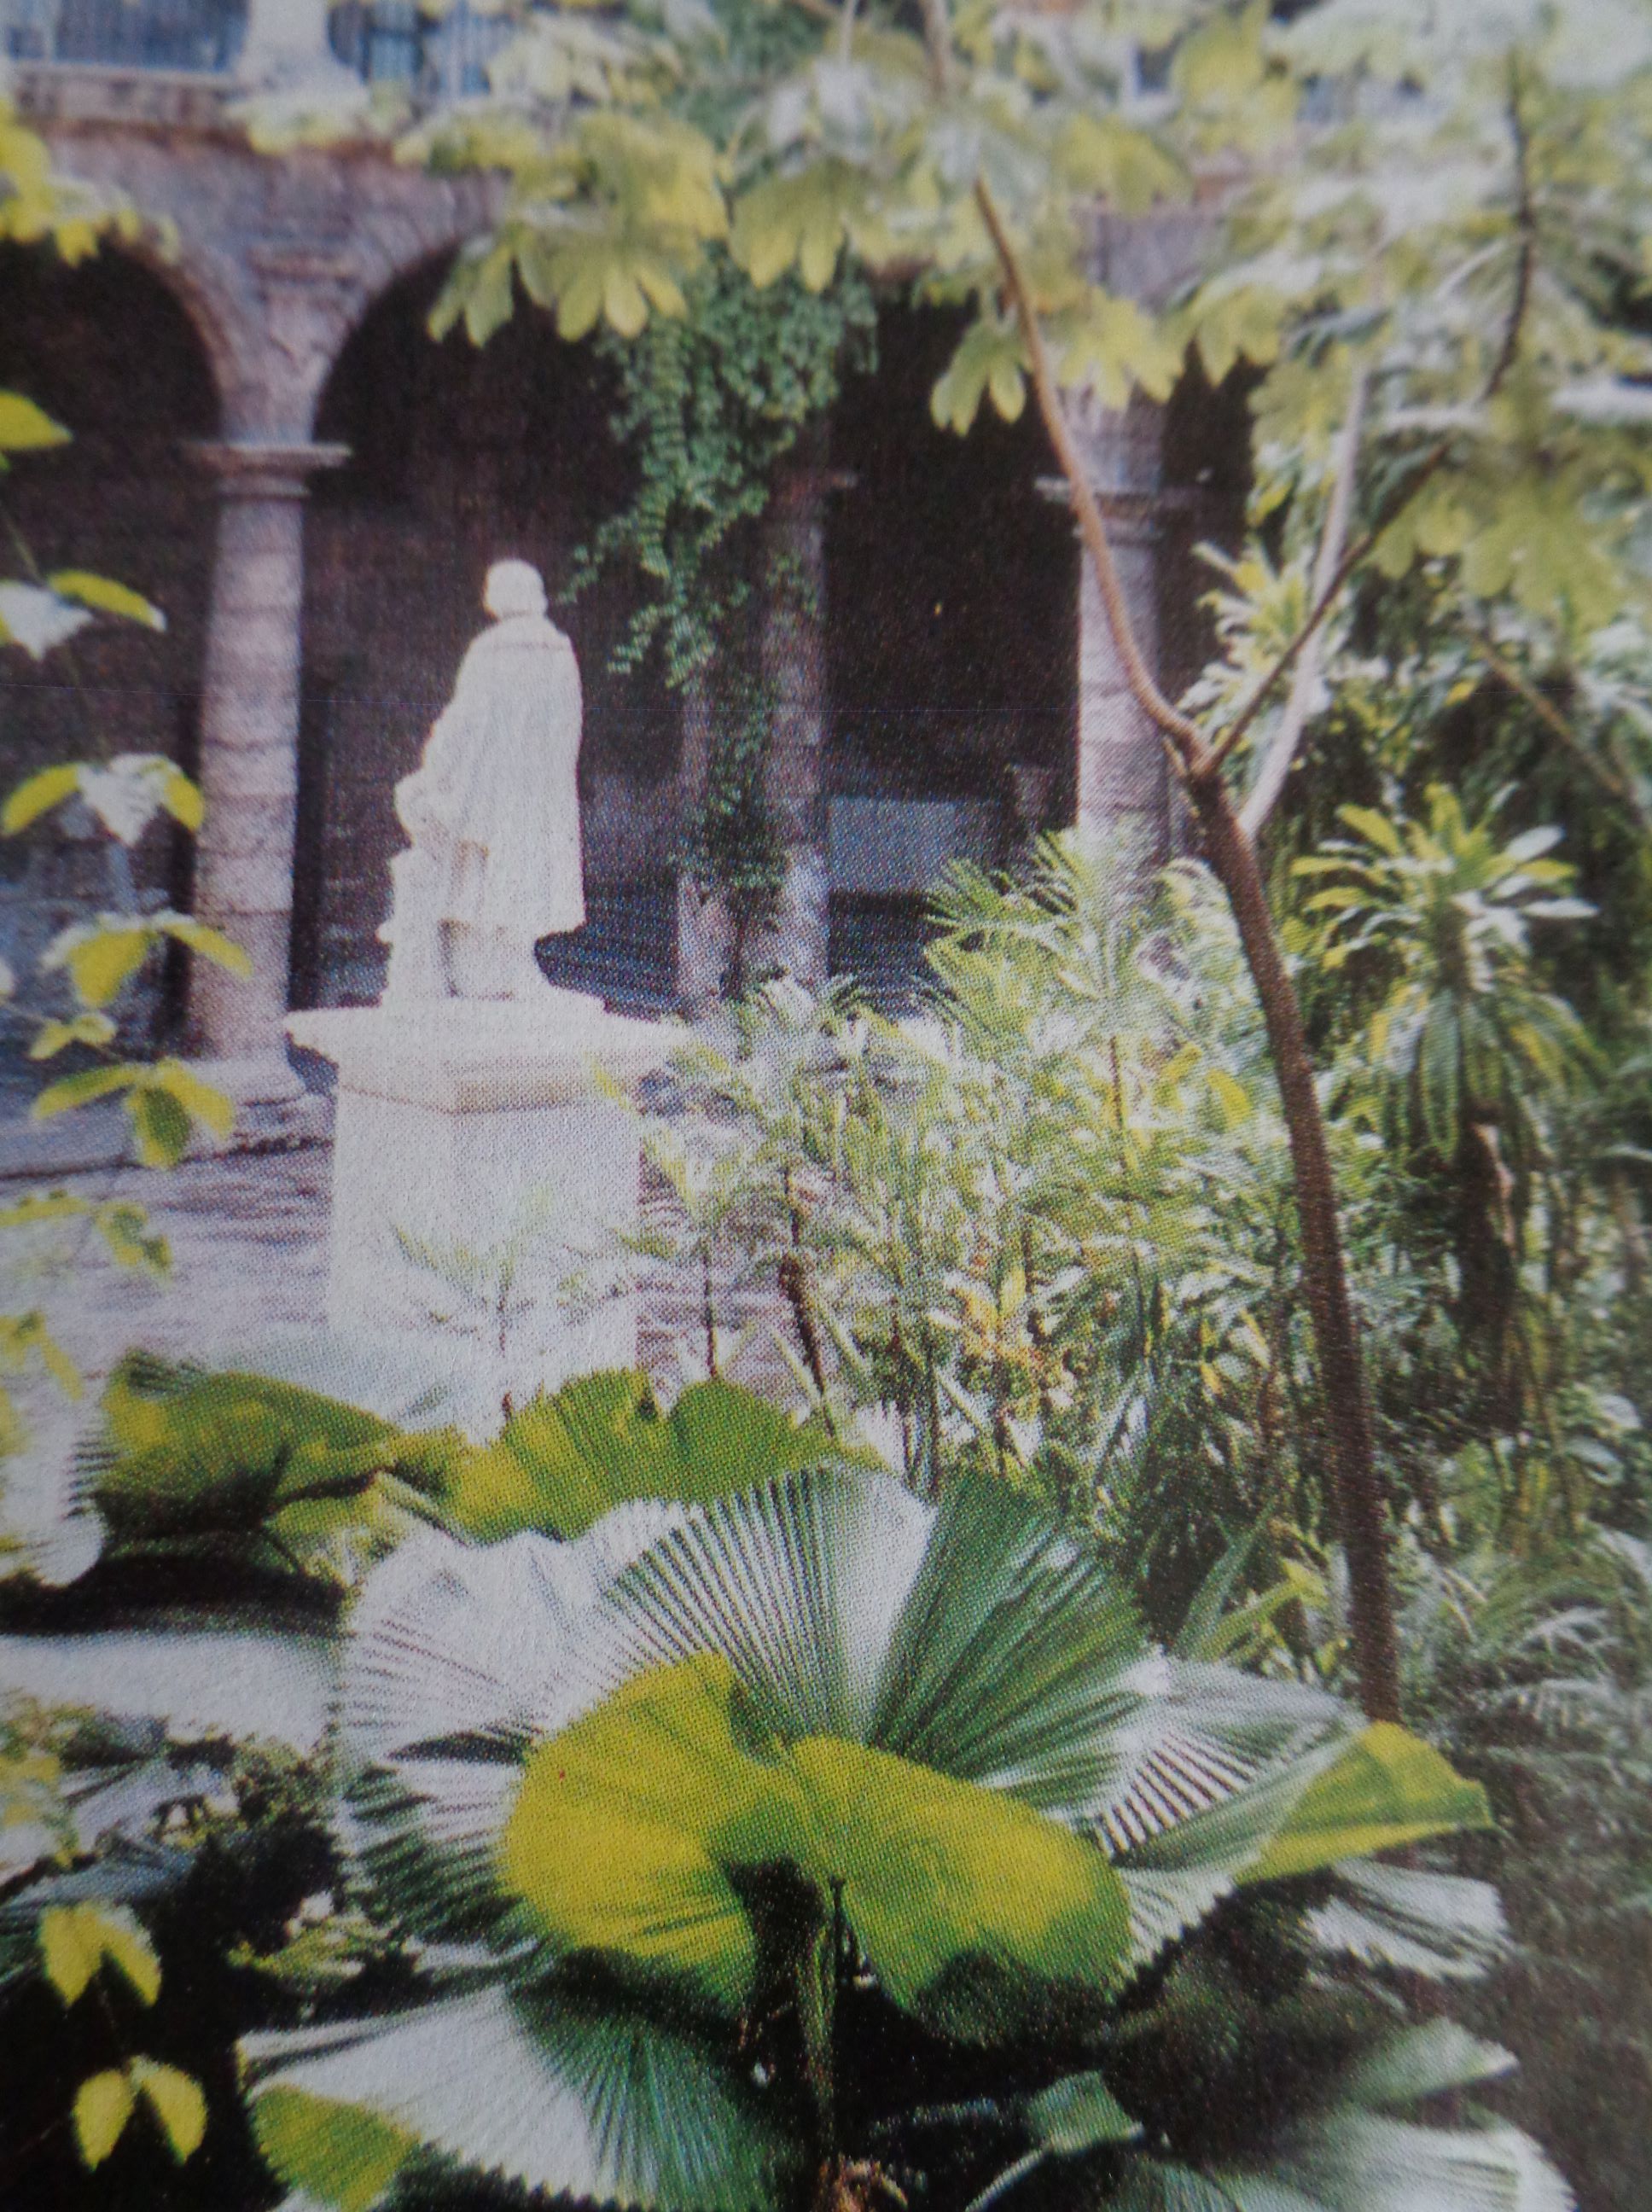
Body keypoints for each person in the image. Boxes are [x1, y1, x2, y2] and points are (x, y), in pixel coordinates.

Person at [380, 558, 584, 1003]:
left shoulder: (491, 651)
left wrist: (436, 768)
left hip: (489, 789)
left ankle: (485, 969)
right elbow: (569, 727)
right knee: (527, 872)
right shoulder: (558, 649)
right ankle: (514, 966)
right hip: (538, 790)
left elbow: (464, 722)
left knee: (480, 872)